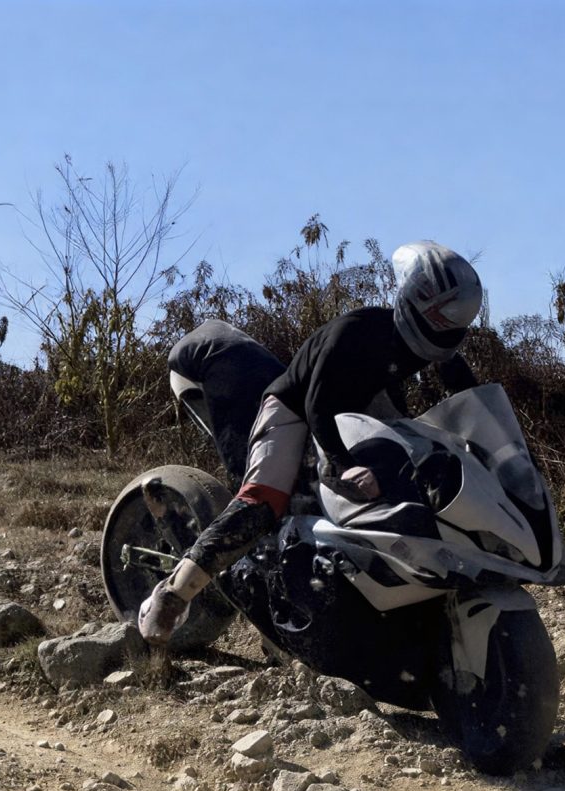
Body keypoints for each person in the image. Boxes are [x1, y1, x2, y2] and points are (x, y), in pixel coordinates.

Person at [139, 241, 484, 644]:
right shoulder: (353, 332)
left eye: (454, 317)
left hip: (351, 416)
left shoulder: (438, 348)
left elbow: (468, 401)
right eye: (440, 314)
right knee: (264, 500)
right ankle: (173, 594)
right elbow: (316, 405)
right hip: (294, 408)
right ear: (415, 299)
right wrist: (343, 462)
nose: (445, 324)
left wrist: (494, 451)